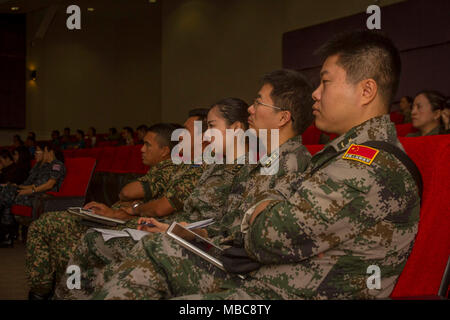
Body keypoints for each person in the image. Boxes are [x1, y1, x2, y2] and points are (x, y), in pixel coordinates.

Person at [183, 30, 419, 300]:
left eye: (325, 82)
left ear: (366, 91)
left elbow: (268, 236)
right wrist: (266, 210)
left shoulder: (366, 166)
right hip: (266, 285)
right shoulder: (341, 156)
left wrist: (261, 212)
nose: (315, 95)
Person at [74, 68, 314, 300]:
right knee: (116, 262)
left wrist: (191, 236)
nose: (250, 109)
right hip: (218, 248)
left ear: (283, 117)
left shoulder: (291, 161)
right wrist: (186, 232)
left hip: (240, 268)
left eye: (259, 103)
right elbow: (228, 223)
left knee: (150, 252)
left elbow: (261, 239)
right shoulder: (261, 161)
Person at [54, 98, 251, 299]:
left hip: (205, 250)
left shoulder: (249, 171)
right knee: (98, 254)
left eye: (211, 127)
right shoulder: (214, 166)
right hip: (183, 235)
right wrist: (173, 229)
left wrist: (177, 230)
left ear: (236, 129)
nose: (207, 135)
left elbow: (228, 229)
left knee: (110, 261)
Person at [25, 118, 206, 300]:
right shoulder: (185, 168)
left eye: (147, 145)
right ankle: (45, 291)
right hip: (119, 221)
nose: (141, 149)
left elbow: (141, 198)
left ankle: (44, 291)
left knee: (63, 240)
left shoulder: (182, 168)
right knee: (52, 230)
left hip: (134, 226)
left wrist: (131, 209)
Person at [0, 143, 66, 248]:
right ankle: (7, 235)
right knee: (6, 192)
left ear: (50, 152)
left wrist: (31, 191)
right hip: (34, 194)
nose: (40, 154)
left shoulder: (56, 164)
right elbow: (33, 184)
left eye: (42, 151)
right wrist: (19, 187)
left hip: (43, 198)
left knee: (6, 196)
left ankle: (6, 235)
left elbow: (50, 184)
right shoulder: (43, 165)